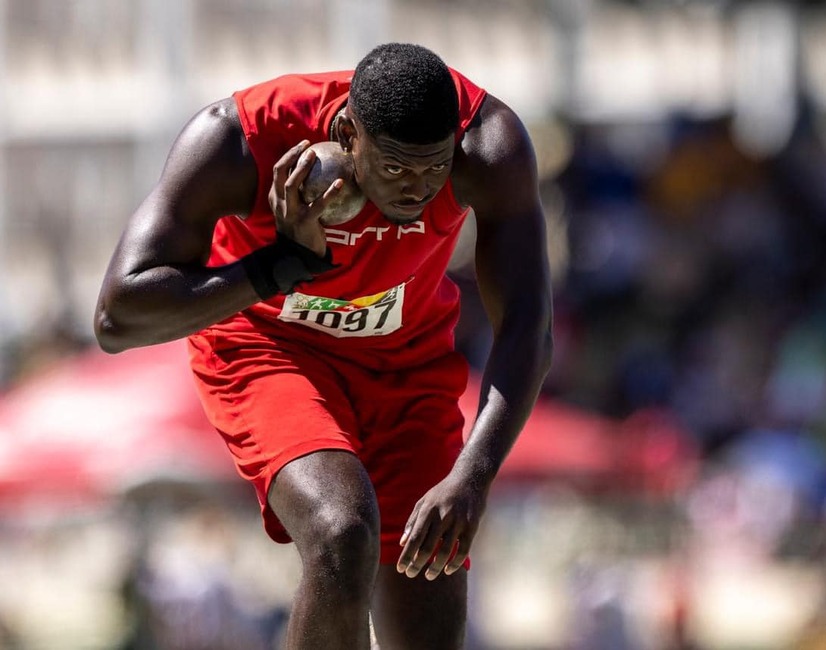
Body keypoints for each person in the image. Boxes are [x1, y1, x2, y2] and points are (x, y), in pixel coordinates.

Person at [94, 42, 552, 649]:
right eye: (395, 169)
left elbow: (527, 323)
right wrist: (279, 266)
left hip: (405, 364)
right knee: (343, 531)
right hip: (268, 349)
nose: (416, 190)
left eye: (433, 168)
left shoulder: (489, 145)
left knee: (431, 596)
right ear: (348, 134)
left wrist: (473, 476)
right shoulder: (237, 140)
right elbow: (117, 317)